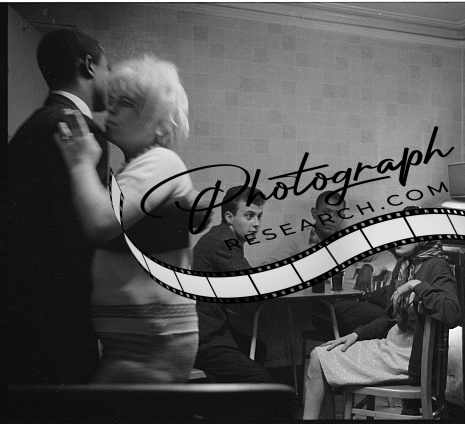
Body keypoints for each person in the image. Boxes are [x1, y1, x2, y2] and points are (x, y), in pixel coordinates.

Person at [54, 55, 199, 383]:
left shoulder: (162, 161)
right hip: (140, 337)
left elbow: (101, 222)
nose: (112, 110)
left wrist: (80, 161)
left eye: (128, 103)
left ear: (161, 124)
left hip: (156, 341)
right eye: (113, 100)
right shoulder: (137, 168)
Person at [2, 29, 110, 385]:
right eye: (108, 68)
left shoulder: (31, 127)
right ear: (90, 66)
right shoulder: (81, 130)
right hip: (65, 307)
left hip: (22, 303)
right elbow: (89, 227)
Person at [303, 238, 461, 419]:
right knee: (318, 356)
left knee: (318, 359)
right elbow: (389, 318)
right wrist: (357, 334)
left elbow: (453, 313)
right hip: (391, 349)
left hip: (410, 359)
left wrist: (416, 285)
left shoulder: (437, 266)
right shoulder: (403, 265)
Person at [260, 191, 390, 335]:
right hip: (325, 309)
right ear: (314, 213)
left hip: (357, 300)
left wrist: (369, 267)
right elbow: (267, 267)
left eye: (338, 213)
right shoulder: (297, 241)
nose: (331, 218)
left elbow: (388, 257)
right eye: (326, 212)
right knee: (385, 315)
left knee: (396, 302)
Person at [192, 186, 271, 383]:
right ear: (229, 217)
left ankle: (237, 399)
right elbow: (253, 284)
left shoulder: (221, 236)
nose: (256, 224)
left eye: (259, 217)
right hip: (205, 338)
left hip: (207, 328)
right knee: (261, 380)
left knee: (258, 348)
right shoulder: (222, 241)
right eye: (249, 216)